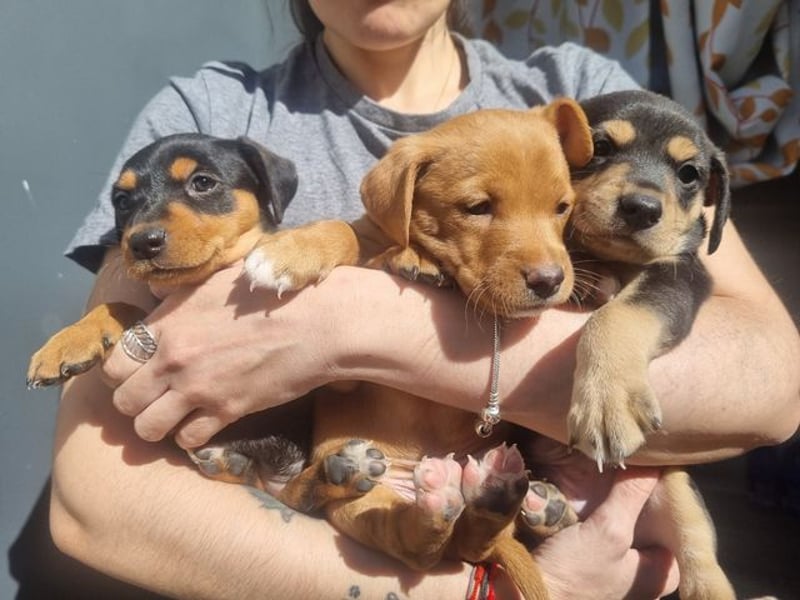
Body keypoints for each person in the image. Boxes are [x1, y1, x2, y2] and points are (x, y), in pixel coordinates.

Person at [43, 0, 799, 598]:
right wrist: (480, 594)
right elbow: (94, 500)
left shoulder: (576, 103)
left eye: (562, 206)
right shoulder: (213, 112)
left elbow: (770, 384)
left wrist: (356, 325)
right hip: (378, 518)